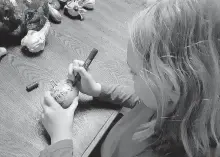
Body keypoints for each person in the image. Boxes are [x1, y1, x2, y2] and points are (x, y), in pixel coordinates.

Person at [39, 0, 220, 156]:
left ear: (171, 85)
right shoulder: (175, 104)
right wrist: (98, 90)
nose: (130, 77)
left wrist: (59, 139)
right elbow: (141, 101)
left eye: (134, 73)